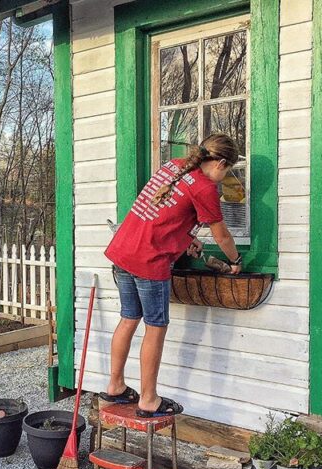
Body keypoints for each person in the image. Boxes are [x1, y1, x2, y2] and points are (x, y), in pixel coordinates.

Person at [100, 133, 242, 417]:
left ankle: (115, 386)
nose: (224, 177)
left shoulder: (175, 166)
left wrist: (185, 237)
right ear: (221, 163)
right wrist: (236, 260)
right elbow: (223, 235)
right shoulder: (205, 188)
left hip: (124, 250)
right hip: (148, 261)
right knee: (155, 326)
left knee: (129, 318)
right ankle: (149, 399)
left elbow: (162, 214)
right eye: (227, 172)